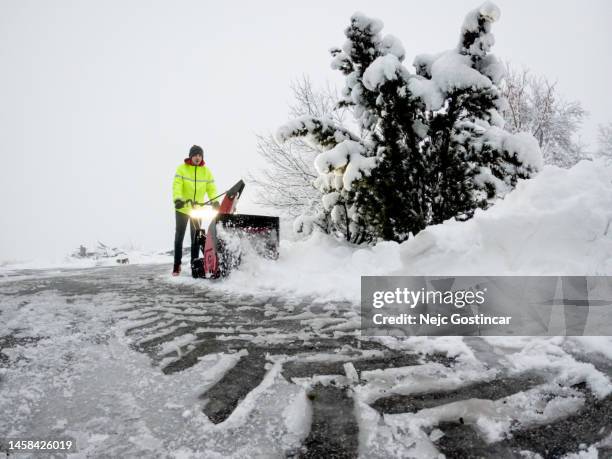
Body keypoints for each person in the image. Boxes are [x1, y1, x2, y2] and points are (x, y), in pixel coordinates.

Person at [172, 145, 219, 276]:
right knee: (179, 236)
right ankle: (177, 265)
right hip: (182, 208)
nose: (198, 157)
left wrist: (214, 201)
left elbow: (211, 188)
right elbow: (177, 186)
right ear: (191, 156)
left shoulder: (206, 171)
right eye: (195, 155)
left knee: (196, 238)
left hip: (197, 209)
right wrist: (178, 199)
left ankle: (195, 264)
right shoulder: (182, 169)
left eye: (200, 155)